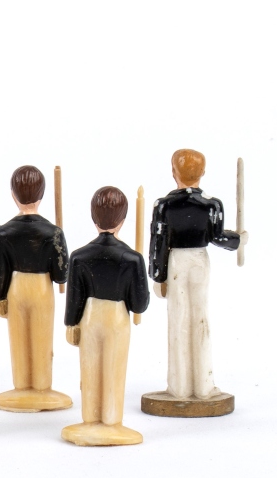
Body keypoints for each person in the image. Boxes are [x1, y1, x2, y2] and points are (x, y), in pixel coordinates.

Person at [149, 149, 247, 402]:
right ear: (203, 173)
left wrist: (158, 275)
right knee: (200, 318)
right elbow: (218, 237)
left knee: (179, 319)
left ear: (173, 173)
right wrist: (238, 240)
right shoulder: (212, 204)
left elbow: (159, 242)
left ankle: (180, 386)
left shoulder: (163, 205)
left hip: (177, 263)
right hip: (199, 261)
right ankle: (203, 386)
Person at [62, 187, 149, 446]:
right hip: (117, 319)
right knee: (114, 368)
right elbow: (140, 304)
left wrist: (71, 323)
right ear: (123, 219)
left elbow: (74, 297)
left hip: (90, 317)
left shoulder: (79, 256)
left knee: (89, 367)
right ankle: (111, 419)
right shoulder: (132, 258)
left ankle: (90, 417)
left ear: (93, 217)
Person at [0, 165, 70, 411]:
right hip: (41, 288)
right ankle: (41, 385)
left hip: (16, 288)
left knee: (18, 338)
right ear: (42, 195)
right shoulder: (53, 232)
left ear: (13, 195)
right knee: (42, 338)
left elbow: (0, 271)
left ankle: (22, 384)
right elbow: (61, 275)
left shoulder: (3, 233)